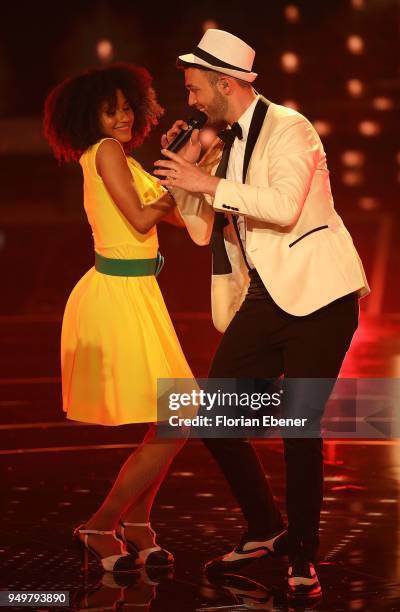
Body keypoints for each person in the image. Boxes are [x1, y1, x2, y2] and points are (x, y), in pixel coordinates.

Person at [154, 29, 369, 599]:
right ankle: (266, 527)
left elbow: (282, 206)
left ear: (226, 84)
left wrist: (210, 180)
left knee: (301, 429)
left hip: (321, 297)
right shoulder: (226, 140)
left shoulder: (290, 128)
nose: (192, 100)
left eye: (197, 88)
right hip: (267, 296)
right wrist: (187, 168)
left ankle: (302, 553)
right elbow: (202, 230)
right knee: (216, 417)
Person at [43, 63, 193, 573]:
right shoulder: (105, 152)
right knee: (179, 416)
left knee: (174, 417)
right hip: (117, 294)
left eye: (128, 107)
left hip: (138, 292)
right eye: (113, 110)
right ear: (92, 117)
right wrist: (181, 179)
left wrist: (191, 165)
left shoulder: (124, 161)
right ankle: (102, 523)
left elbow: (179, 214)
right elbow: (143, 217)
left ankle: (136, 523)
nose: (124, 117)